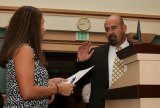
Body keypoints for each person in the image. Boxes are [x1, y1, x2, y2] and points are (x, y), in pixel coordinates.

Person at [0, 6, 75, 107]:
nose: (44, 29)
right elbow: (27, 92)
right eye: (42, 23)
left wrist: (48, 82)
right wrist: (58, 89)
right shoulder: (24, 49)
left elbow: (25, 85)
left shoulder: (22, 48)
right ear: (32, 26)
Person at [75, 15, 132, 108]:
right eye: (107, 29)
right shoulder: (95, 53)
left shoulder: (138, 52)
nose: (110, 32)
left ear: (124, 28)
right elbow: (77, 83)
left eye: (114, 28)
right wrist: (81, 63)